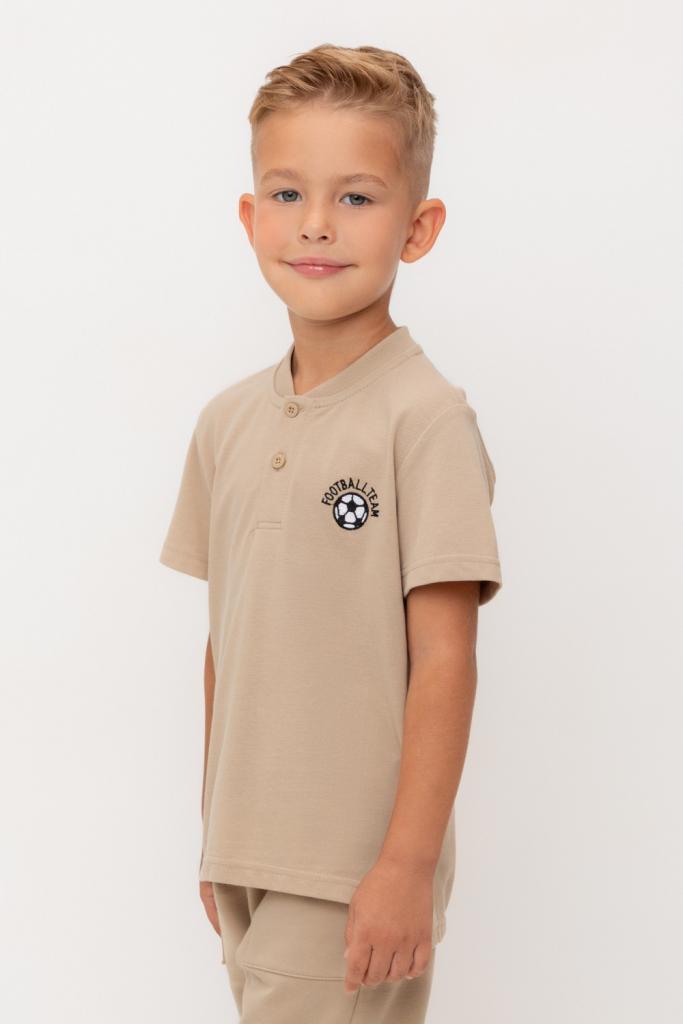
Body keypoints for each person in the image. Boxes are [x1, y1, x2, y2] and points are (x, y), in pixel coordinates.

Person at [159, 42, 503, 1023]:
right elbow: (227, 638)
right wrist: (217, 835)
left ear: (417, 228)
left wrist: (406, 865)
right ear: (249, 217)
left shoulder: (423, 420)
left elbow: (444, 659)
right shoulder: (226, 421)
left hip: (352, 868)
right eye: (286, 193)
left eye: (355, 197)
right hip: (247, 854)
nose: (315, 222)